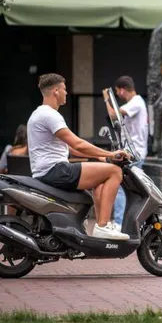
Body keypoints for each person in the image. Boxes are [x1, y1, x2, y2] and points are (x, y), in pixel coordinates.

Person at [27, 73, 131, 240]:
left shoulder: (39, 114)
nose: (66, 93)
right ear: (55, 91)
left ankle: (102, 225)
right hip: (56, 170)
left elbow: (72, 149)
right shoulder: (50, 115)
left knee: (103, 175)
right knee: (114, 172)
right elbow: (78, 144)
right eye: (64, 89)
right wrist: (110, 153)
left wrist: (102, 158)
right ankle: (103, 226)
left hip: (49, 170)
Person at [106, 76, 149, 228]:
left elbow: (113, 115)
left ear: (122, 90)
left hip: (133, 153)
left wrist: (106, 99)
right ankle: (133, 224)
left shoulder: (136, 103)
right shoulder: (136, 103)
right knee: (129, 189)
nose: (117, 95)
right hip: (133, 151)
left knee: (119, 187)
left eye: (117, 92)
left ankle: (119, 224)